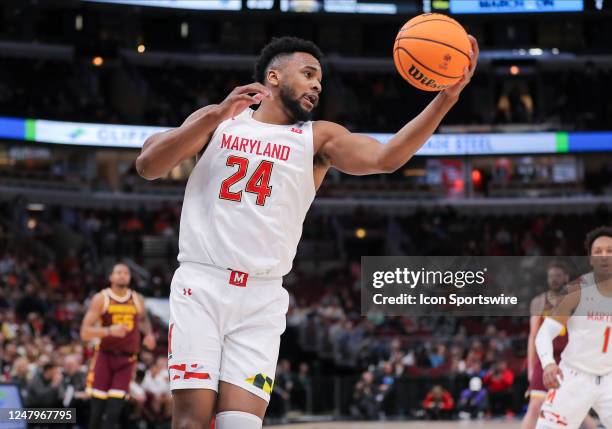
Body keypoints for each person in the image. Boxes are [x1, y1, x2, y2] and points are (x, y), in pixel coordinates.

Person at [136, 35, 479, 429]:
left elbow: (386, 158)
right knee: (191, 422)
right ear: (274, 77)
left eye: (321, 80)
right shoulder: (220, 121)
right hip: (203, 284)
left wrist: (446, 98)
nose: (317, 85)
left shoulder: (318, 138)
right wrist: (213, 115)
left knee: (240, 424)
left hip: (262, 297)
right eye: (309, 74)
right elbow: (148, 165)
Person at [536, 226, 612, 428]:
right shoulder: (576, 291)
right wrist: (548, 364)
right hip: (573, 377)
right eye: (598, 252)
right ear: (590, 259)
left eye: (610, 251)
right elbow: (544, 333)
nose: (604, 256)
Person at [80, 263, 156, 429]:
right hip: (104, 357)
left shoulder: (137, 298)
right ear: (111, 277)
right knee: (97, 413)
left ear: (129, 278)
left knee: (114, 412)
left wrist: (148, 334)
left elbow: (143, 319)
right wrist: (109, 330)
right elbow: (84, 332)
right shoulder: (101, 299)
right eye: (118, 272)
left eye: (126, 273)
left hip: (127, 360)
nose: (122, 275)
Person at [521, 261, 597, 429]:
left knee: (578, 410)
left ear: (566, 277)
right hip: (546, 359)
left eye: (558, 276)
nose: (554, 280)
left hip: (570, 360)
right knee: (535, 406)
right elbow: (534, 336)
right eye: (551, 276)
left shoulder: (577, 300)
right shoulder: (540, 302)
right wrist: (531, 368)